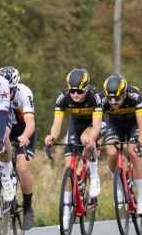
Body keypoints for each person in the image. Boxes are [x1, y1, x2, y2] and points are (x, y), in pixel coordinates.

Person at [44, 68, 103, 198]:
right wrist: (52, 136)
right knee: (68, 167)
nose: (75, 94)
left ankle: (94, 176)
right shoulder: (63, 98)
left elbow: (97, 125)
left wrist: (92, 139)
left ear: (86, 88)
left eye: (80, 91)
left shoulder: (95, 97)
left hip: (92, 125)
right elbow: (57, 123)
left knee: (85, 139)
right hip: (75, 127)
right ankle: (66, 207)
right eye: (72, 91)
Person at [100, 74, 142, 214]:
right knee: (111, 151)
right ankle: (118, 184)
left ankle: (141, 200)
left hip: (133, 124)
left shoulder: (135, 97)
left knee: (134, 152)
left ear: (125, 92)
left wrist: (140, 142)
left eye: (117, 98)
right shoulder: (102, 100)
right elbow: (97, 123)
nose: (113, 101)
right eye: (110, 98)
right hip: (113, 125)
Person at [0, 66, 37, 229]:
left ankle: (28, 207)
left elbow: (30, 123)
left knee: (21, 167)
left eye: (10, 89)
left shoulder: (24, 93)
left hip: (23, 130)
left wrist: (25, 136)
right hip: (4, 128)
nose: (7, 92)